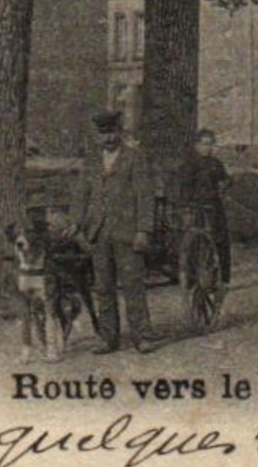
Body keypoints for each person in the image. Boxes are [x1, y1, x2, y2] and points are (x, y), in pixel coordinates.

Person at [76, 111, 159, 354]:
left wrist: (144, 229)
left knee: (133, 285)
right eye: (104, 133)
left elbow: (145, 195)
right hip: (98, 233)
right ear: (97, 135)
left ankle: (143, 336)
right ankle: (107, 338)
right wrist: (76, 223)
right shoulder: (91, 161)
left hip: (127, 232)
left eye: (113, 132)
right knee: (103, 287)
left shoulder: (135, 157)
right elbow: (81, 194)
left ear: (119, 132)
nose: (109, 138)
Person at [172, 128, 232, 284]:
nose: (209, 148)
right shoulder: (189, 164)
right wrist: (186, 205)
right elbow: (183, 187)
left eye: (211, 144)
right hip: (195, 207)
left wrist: (224, 186)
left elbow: (226, 179)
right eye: (205, 144)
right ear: (197, 145)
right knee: (193, 240)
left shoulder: (215, 163)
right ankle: (191, 274)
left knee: (222, 239)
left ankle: (222, 278)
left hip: (214, 207)